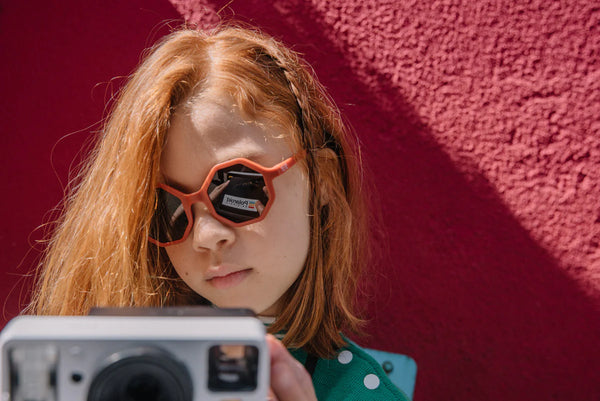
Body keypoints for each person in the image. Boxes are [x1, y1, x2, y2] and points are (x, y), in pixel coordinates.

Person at [26, 25, 409, 400]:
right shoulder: (104, 373)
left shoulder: (364, 392)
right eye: (166, 208)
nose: (207, 235)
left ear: (322, 179)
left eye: (239, 187)